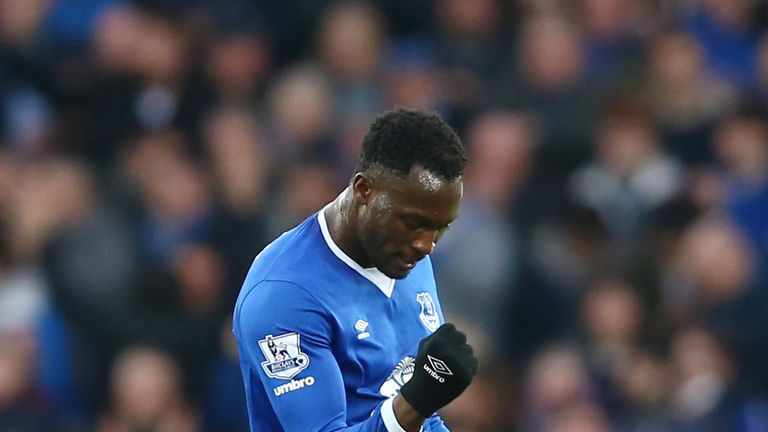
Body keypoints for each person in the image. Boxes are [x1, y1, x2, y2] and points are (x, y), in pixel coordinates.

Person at [233, 108, 479, 432]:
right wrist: (416, 400)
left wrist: (419, 404)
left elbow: (420, 416)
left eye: (439, 228)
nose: (427, 245)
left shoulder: (406, 253)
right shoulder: (283, 295)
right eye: (414, 223)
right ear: (365, 190)